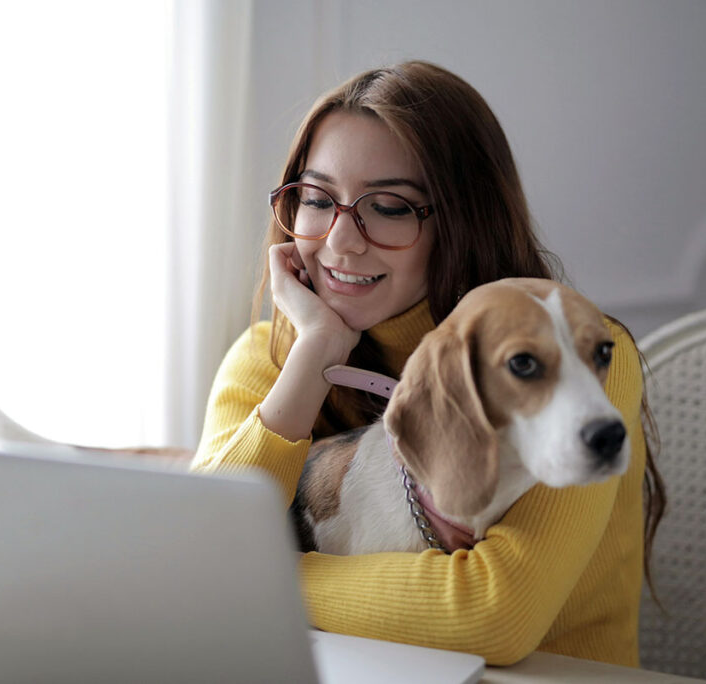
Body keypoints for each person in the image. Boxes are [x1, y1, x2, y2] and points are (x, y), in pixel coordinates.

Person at [189, 60, 665, 667]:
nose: (340, 240)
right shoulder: (270, 356)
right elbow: (200, 551)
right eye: (315, 199)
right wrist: (313, 358)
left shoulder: (587, 356)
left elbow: (494, 616)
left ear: (464, 219)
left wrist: (257, 582)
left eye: (388, 207)